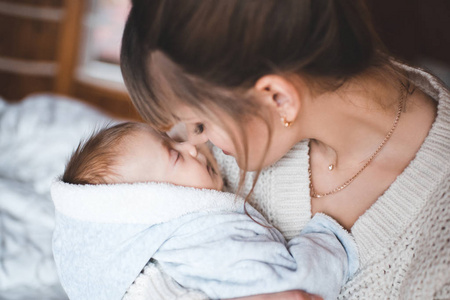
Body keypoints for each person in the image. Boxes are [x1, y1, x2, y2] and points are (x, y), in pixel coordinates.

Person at [119, 0, 450, 299]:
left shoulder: (437, 249)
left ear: (279, 98)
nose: (191, 144)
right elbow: (115, 256)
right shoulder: (210, 149)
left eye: (201, 125)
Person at [52, 122, 358, 300]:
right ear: (158, 200)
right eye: (175, 155)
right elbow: (296, 288)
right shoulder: (208, 241)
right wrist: (326, 238)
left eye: (174, 141)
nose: (192, 147)